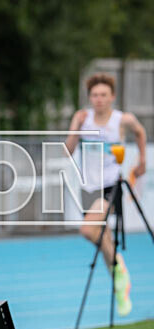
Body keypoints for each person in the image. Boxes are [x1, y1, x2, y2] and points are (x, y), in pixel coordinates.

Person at [65, 73, 146, 316]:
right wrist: (75, 128)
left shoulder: (122, 120)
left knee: (88, 229)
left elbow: (141, 133)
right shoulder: (82, 117)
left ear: (112, 97)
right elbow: (68, 150)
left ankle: (119, 272)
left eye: (103, 95)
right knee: (103, 239)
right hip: (87, 187)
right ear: (89, 98)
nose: (98, 99)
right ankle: (119, 279)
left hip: (111, 185)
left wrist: (142, 161)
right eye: (94, 95)